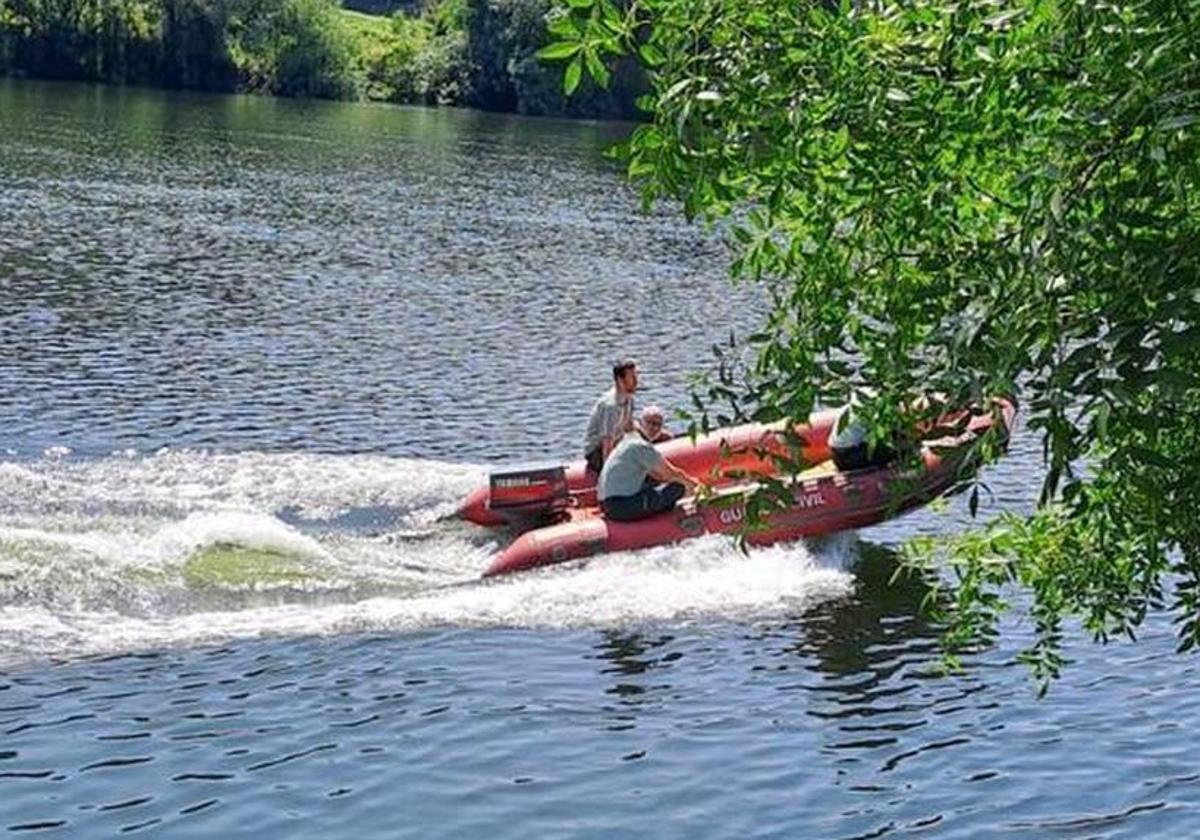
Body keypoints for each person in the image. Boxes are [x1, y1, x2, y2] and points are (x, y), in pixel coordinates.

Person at [598, 406, 701, 521]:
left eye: (658, 424)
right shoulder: (641, 446)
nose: (654, 427)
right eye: (650, 423)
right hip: (621, 507)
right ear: (640, 423)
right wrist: (698, 487)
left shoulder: (627, 441)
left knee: (654, 483)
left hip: (607, 505)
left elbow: (657, 475)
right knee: (677, 488)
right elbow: (672, 473)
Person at [582, 357, 639, 474]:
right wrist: (609, 474)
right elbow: (606, 444)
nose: (636, 381)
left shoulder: (628, 399)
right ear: (620, 380)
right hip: (596, 451)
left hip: (617, 441)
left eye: (636, 376)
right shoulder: (610, 406)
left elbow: (629, 428)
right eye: (632, 377)